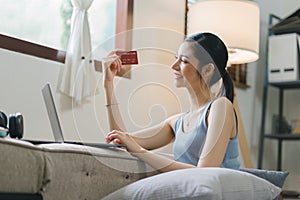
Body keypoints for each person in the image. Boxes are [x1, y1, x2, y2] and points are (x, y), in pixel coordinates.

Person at [103, 32, 240, 173]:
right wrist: (108, 84)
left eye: (184, 61)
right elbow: (119, 140)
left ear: (207, 70)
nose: (173, 66)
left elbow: (205, 172)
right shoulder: (177, 122)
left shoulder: (221, 107)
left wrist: (139, 151)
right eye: (176, 58)